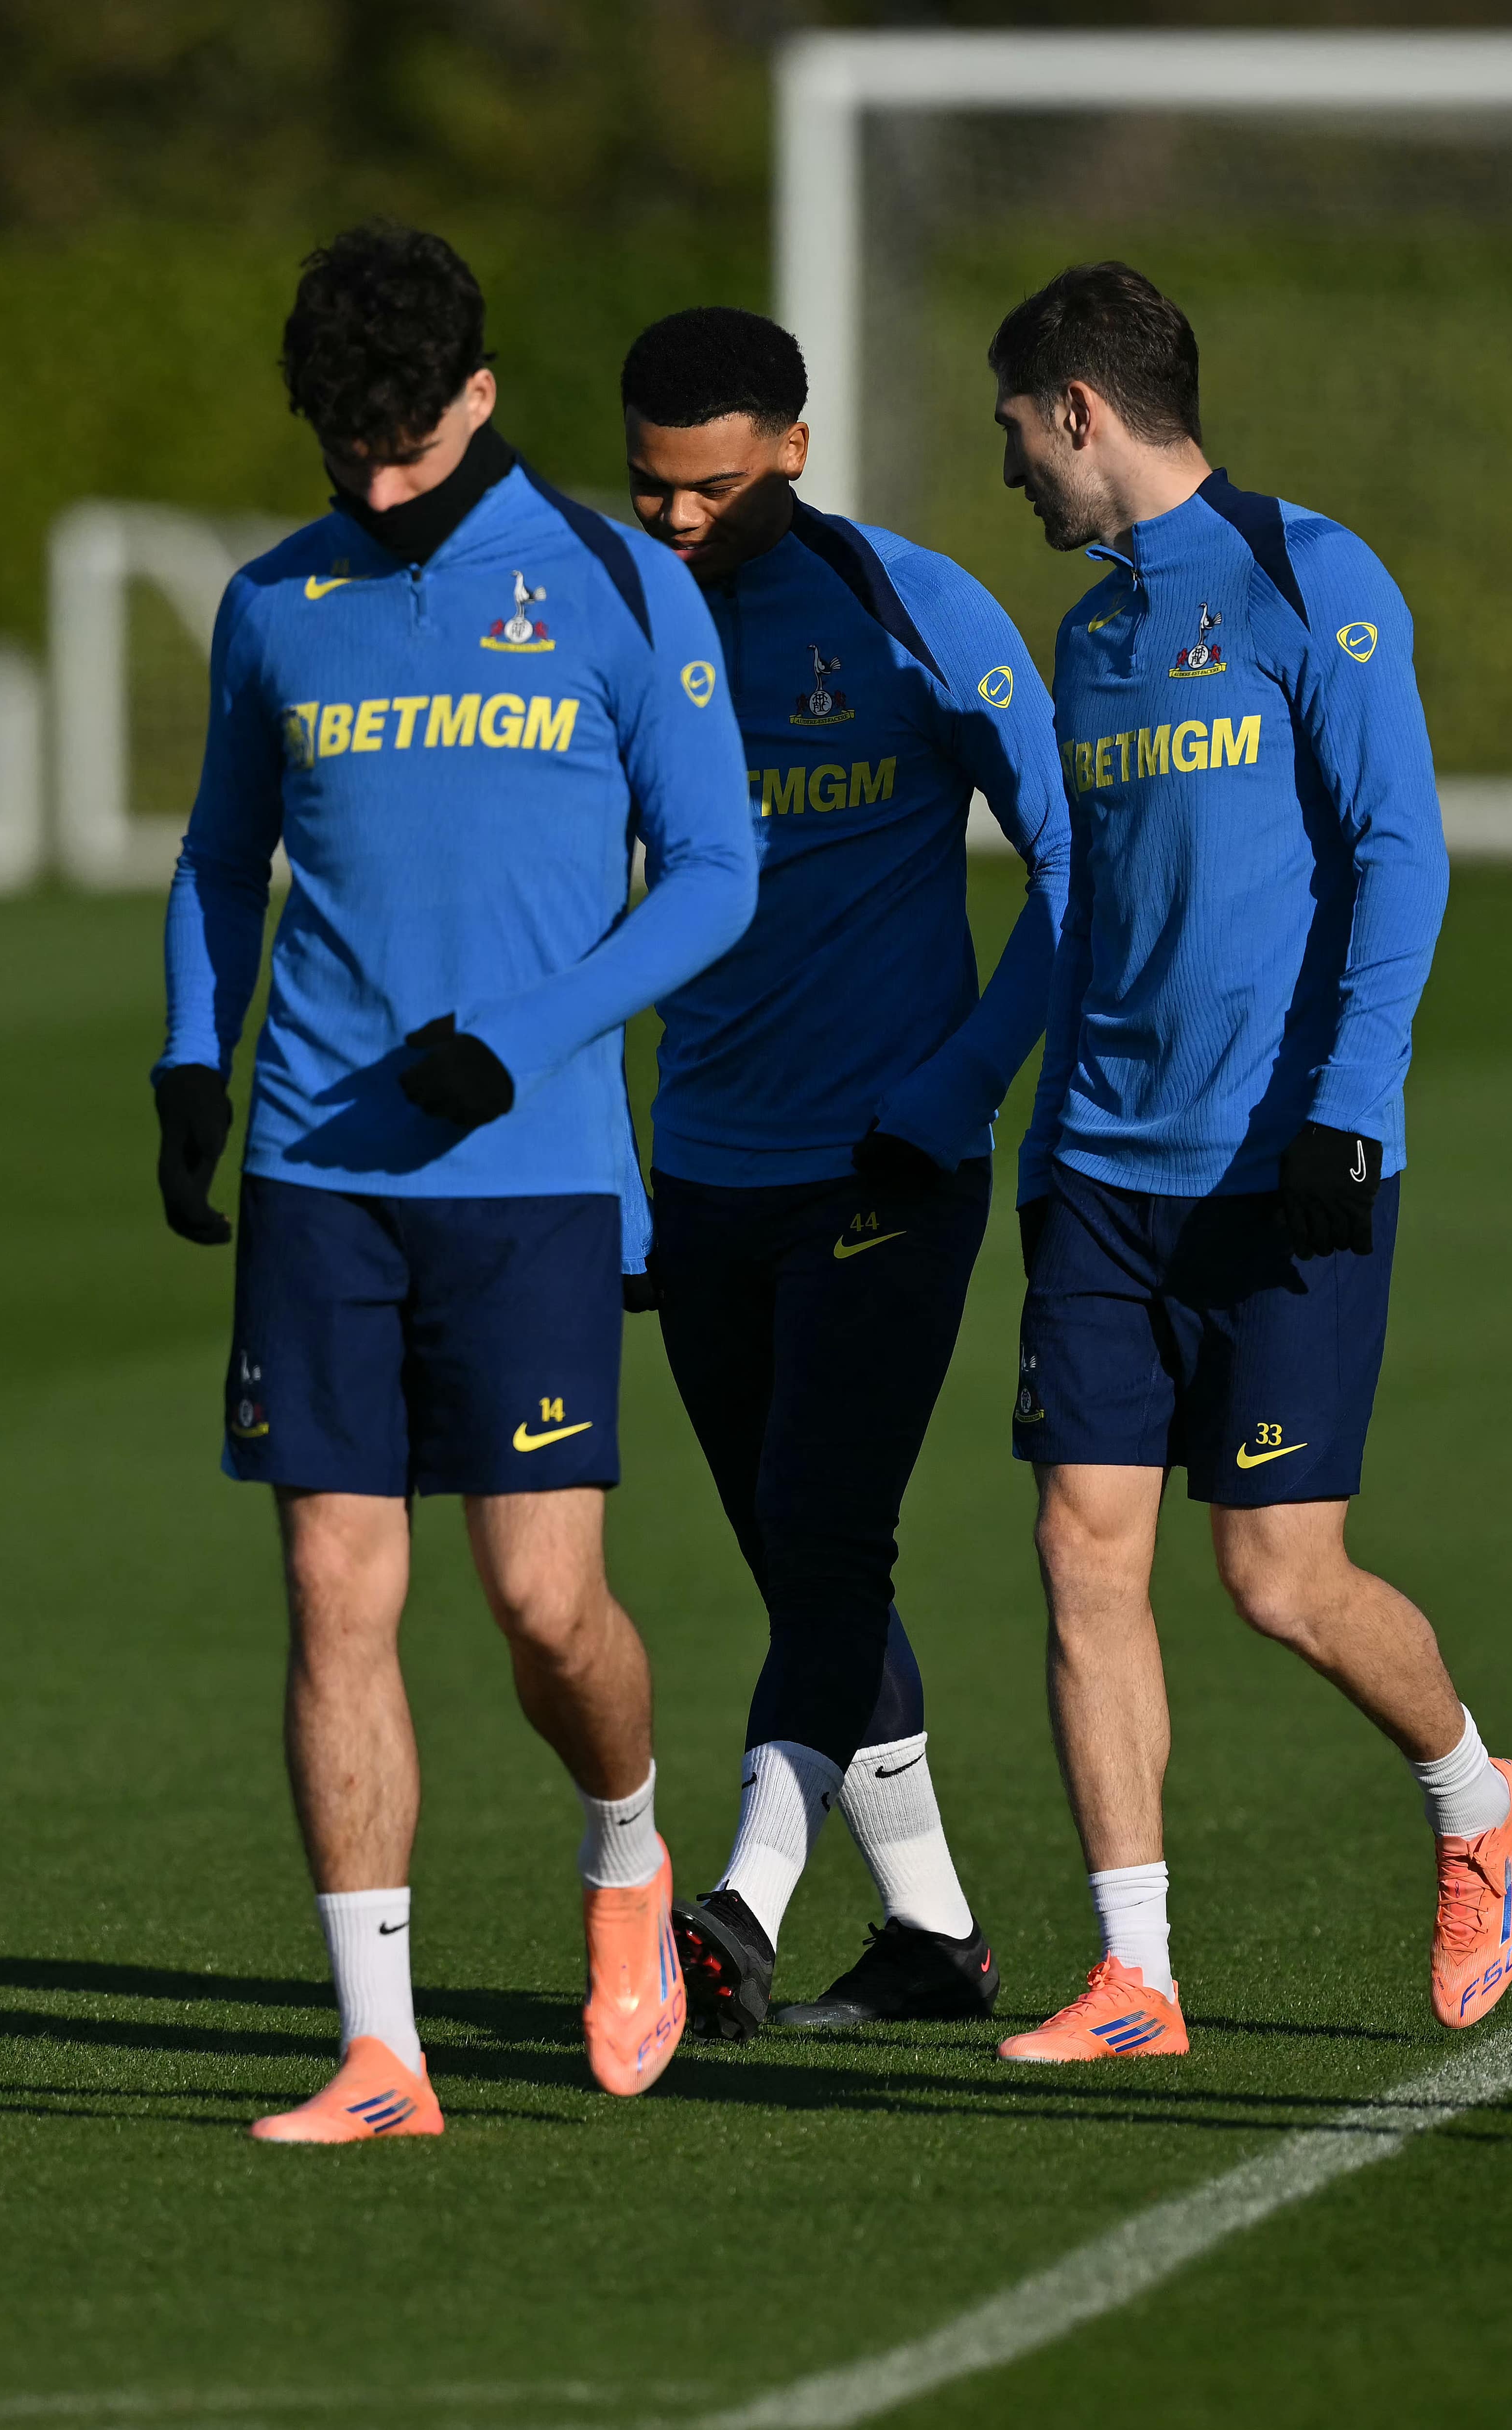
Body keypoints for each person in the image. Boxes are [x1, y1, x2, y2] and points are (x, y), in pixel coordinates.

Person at [153, 223, 756, 2142]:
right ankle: (380, 2051)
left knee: (543, 1606)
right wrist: (191, 1059)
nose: (380, 482)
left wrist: (527, 1033)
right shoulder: (275, 602)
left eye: (408, 445)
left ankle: (629, 1847)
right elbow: (217, 858)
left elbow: (720, 874)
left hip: (535, 1175)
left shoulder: (618, 584)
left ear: (482, 397)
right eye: (347, 451)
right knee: (337, 1587)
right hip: (318, 1171)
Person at [986, 262, 1512, 2065]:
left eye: (1016, 429)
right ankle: (1132, 1975)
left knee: (1278, 1578)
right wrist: (1018, 1127)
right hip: (1100, 1173)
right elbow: (1085, 912)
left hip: (1287, 1159)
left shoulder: (1312, 574)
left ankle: (1476, 1804)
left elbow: (1400, 851)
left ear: (1081, 410)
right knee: (1082, 1553)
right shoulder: (1086, 639)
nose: (1009, 469)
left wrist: (1350, 1105)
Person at [614, 307, 1069, 2040]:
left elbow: (1076, 867)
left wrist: (957, 1085)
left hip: (886, 1168)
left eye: (716, 487)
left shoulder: (913, 606)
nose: (679, 519)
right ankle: (936, 1938)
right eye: (652, 486)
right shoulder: (613, 621)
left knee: (824, 1535)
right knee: (806, 1573)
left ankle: (731, 1912)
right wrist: (614, 1171)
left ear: (793, 453)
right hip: (700, 1176)